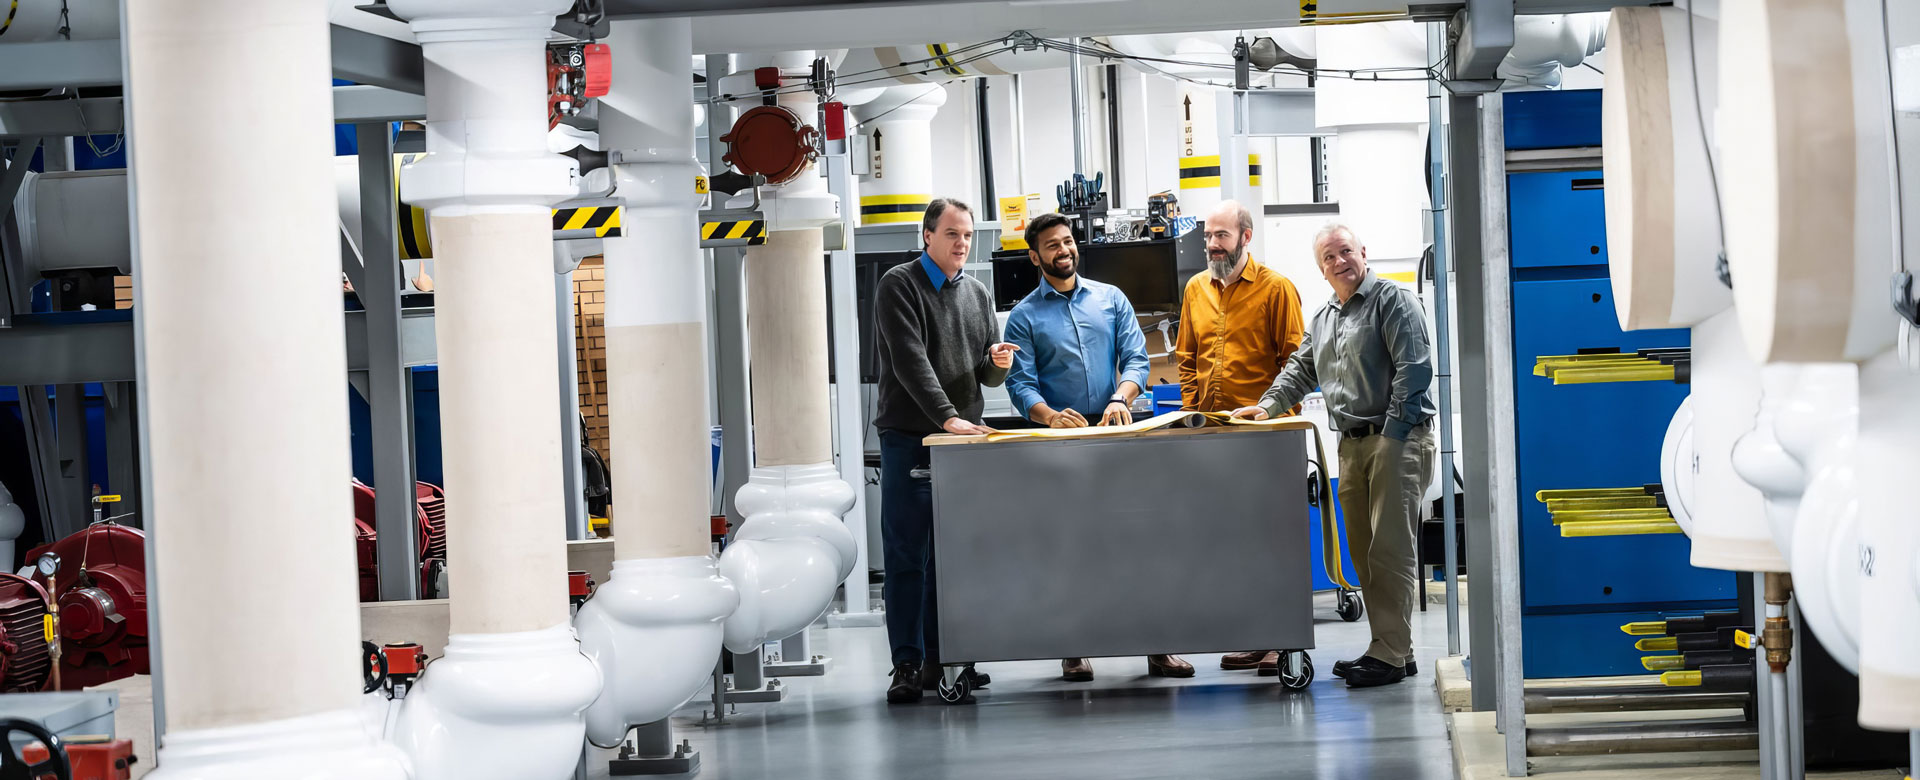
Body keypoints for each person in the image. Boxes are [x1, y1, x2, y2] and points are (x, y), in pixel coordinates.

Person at [1232, 223, 1437, 688]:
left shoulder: (1393, 300)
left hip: (1396, 440)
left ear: (1363, 252)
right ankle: (1393, 650)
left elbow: (1415, 367)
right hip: (1351, 444)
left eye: (1345, 251)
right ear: (1320, 268)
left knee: (1390, 550)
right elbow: (1300, 368)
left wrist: (1392, 434)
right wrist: (1265, 407)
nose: (1339, 261)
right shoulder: (1325, 317)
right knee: (1364, 555)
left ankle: (1389, 652)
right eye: (1329, 257)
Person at [1003, 212, 1195, 682]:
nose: (1063, 250)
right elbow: (1020, 383)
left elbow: (1135, 359)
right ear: (1035, 256)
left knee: (1139, 539)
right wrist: (1049, 415)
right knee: (1070, 545)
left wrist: (1119, 397)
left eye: (1067, 242)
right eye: (1051, 245)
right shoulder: (1025, 316)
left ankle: (1159, 646)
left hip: (1117, 430)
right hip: (1061, 441)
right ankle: (1074, 646)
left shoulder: (1111, 300)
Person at [873, 197, 1019, 704]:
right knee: (908, 554)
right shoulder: (898, 285)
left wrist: (998, 364)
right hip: (912, 438)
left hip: (962, 440)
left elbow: (986, 373)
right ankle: (908, 664)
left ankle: (952, 657)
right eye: (953, 234)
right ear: (928, 236)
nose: (962, 244)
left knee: (956, 555)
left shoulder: (977, 294)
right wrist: (947, 417)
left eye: (968, 235)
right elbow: (910, 361)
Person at [1174, 199, 1305, 675]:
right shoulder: (1195, 289)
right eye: (1207, 236)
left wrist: (1276, 420)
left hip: (1265, 436)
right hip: (1212, 438)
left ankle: (1278, 639)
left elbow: (1297, 363)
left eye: (1221, 236)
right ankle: (1255, 635)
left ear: (1246, 237)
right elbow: (1186, 356)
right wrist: (1193, 414)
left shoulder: (1276, 289)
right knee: (1231, 541)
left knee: (1273, 539)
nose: (1211, 245)